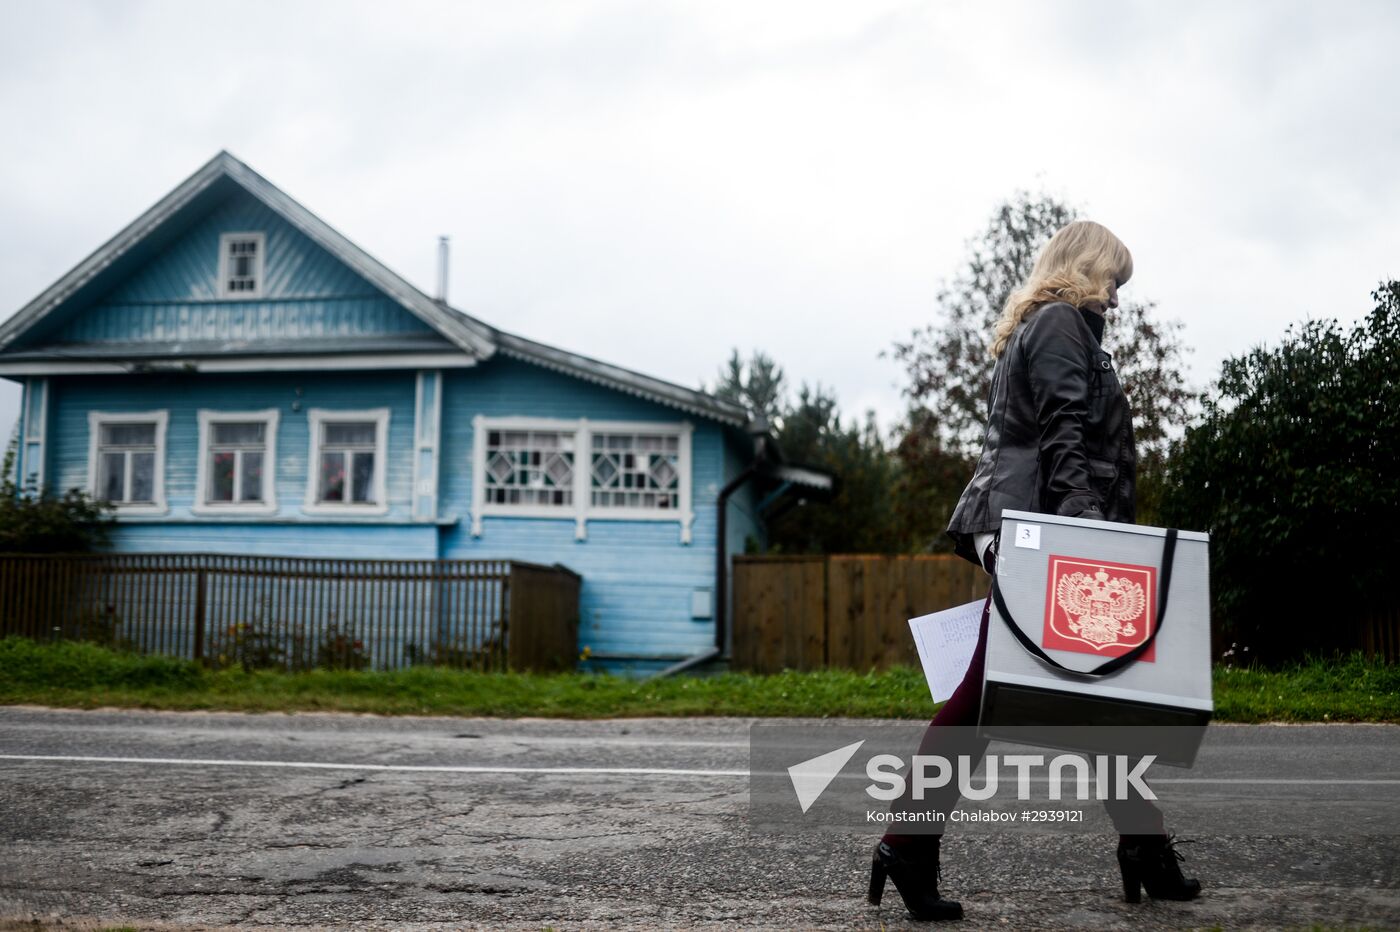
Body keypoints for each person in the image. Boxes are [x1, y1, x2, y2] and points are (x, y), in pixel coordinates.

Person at [866, 221, 1201, 921]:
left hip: (1035, 522)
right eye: (1112, 277)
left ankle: (1144, 846)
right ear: (1084, 266)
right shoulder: (1059, 323)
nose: (1116, 295)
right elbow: (1062, 432)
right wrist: (1083, 535)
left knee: (1093, 698)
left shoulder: (1059, 326)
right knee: (985, 701)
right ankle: (906, 843)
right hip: (1039, 525)